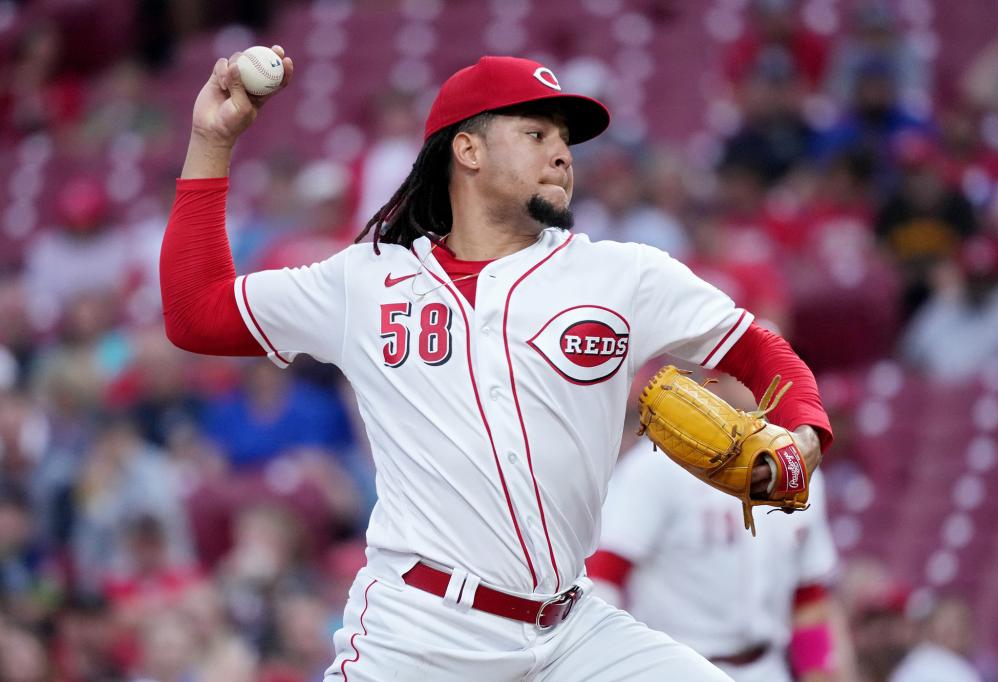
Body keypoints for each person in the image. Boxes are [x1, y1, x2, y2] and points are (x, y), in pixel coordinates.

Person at [161, 47, 833, 680]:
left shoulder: (621, 275)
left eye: (565, 141)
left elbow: (759, 349)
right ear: (468, 148)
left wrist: (803, 432)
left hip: (571, 631)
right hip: (421, 633)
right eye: (537, 134)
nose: (562, 155)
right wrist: (212, 142)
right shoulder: (365, 282)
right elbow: (196, 314)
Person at [588, 437, 842, 682]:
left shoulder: (795, 467)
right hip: (674, 668)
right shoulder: (658, 463)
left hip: (767, 668)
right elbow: (602, 581)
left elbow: (808, 597)